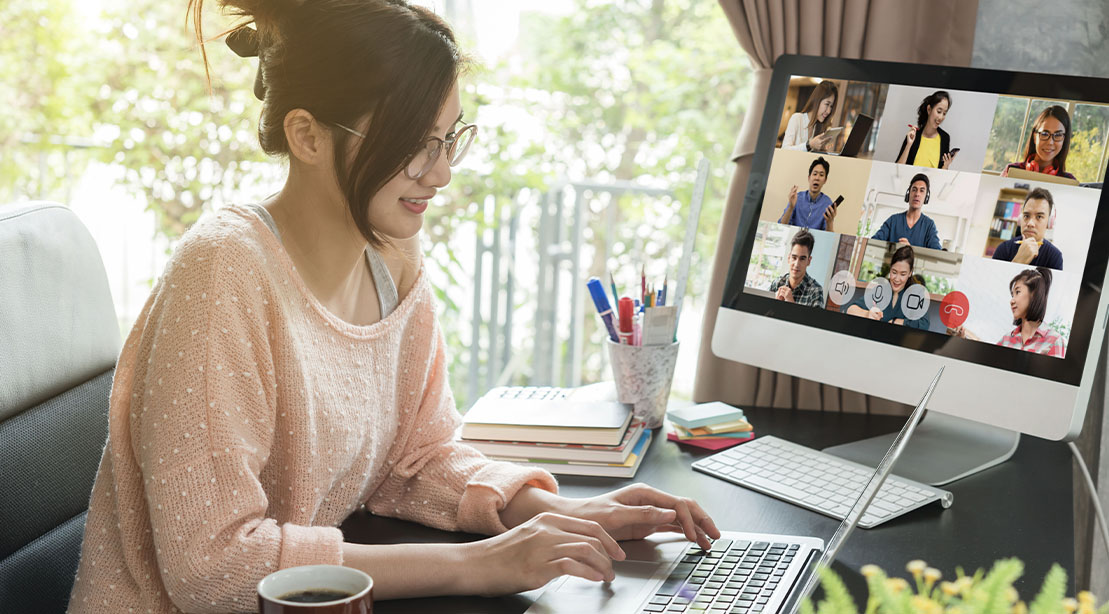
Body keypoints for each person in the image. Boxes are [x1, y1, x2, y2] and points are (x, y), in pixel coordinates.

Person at [67, 2, 720, 612]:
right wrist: (481, 564)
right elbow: (212, 566)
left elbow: (417, 457)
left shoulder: (392, 259)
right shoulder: (222, 272)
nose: (439, 173)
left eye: (446, 139)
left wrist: (547, 512)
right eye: (415, 143)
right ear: (308, 136)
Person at [955, 268, 1066, 357]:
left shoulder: (1054, 341)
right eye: (1012, 295)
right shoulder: (1006, 339)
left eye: (1017, 292)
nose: (1012, 300)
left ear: (1034, 294)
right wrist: (964, 340)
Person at [843, 245, 930, 329]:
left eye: (903, 274)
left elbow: (924, 324)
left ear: (910, 273)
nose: (897, 279)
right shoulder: (882, 289)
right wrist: (867, 314)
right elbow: (850, 309)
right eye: (894, 272)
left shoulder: (916, 293)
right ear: (890, 269)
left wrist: (899, 322)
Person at [991, 187, 1063, 270]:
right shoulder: (1003, 249)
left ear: (1049, 222)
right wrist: (1018, 262)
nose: (1030, 223)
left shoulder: (1055, 257)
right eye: (1026, 216)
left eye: (1039, 217)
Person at [1001, 105, 1076, 181]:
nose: (1050, 142)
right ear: (1034, 136)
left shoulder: (1068, 181)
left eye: (1058, 135)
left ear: (1064, 140)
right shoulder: (1011, 171)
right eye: (1044, 134)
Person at [871, 173, 942, 250]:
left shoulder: (929, 225)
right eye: (914, 190)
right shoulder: (893, 220)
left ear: (926, 197)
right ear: (909, 194)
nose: (917, 194)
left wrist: (909, 250)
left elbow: (937, 253)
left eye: (922, 191)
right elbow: (873, 243)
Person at [895, 91, 957, 169]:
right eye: (939, 111)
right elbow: (897, 168)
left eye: (944, 113)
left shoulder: (945, 138)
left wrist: (946, 165)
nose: (941, 117)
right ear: (929, 109)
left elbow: (942, 174)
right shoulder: (914, 135)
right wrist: (908, 145)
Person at [778, 156, 838, 231]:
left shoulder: (827, 203)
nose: (817, 178)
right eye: (815, 174)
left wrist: (830, 222)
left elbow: (828, 235)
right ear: (809, 177)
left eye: (821, 175)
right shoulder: (797, 197)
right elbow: (782, 225)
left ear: (825, 180)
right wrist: (791, 207)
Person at [769, 228, 825, 307]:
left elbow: (816, 320)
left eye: (802, 259)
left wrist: (792, 304)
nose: (796, 264)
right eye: (794, 257)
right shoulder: (776, 284)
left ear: (808, 261)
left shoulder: (815, 291)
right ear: (789, 258)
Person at [781, 80, 840, 152]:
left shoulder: (818, 128)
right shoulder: (797, 118)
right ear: (817, 101)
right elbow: (784, 150)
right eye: (827, 104)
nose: (829, 111)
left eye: (831, 106)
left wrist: (823, 149)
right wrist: (809, 145)